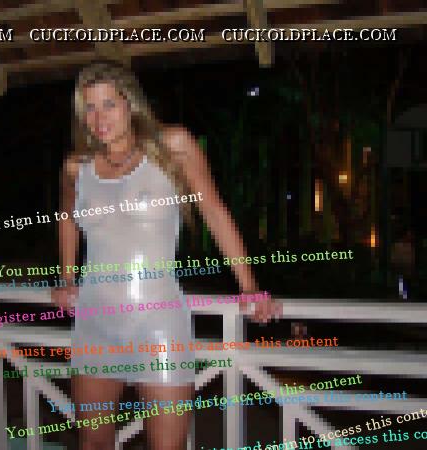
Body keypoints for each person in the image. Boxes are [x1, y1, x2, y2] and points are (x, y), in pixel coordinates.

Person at [51, 61, 281, 450]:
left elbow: (213, 211)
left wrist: (249, 286)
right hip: (95, 325)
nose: (98, 118)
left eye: (109, 104)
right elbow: (66, 217)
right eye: (89, 107)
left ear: (130, 103)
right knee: (93, 445)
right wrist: (67, 278)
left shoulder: (172, 145)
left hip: (157, 326)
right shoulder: (77, 166)